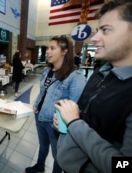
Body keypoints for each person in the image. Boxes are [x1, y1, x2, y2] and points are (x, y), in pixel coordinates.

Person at [54, 1, 132, 173]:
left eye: (105, 30)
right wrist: (66, 120)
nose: (95, 38)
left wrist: (74, 122)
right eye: (97, 31)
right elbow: (89, 117)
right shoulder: (99, 73)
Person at [25, 36, 86, 173]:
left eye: (52, 48)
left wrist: (62, 123)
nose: (47, 51)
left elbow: (75, 106)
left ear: (64, 51)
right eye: (48, 48)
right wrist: (36, 104)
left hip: (55, 124)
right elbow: (43, 92)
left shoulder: (75, 77)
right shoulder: (47, 71)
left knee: (58, 155)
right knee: (42, 145)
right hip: (39, 116)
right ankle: (39, 167)